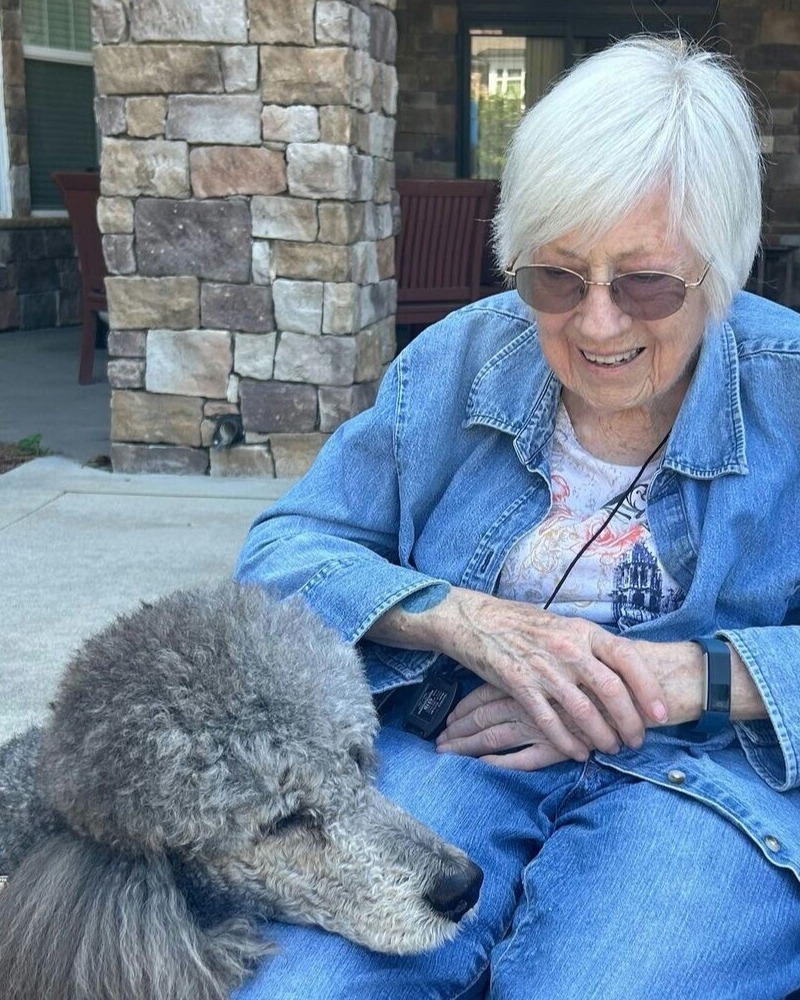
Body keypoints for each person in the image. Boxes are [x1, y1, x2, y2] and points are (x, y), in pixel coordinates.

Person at [234, 34, 800, 1000]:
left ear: (723, 267)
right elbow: (283, 551)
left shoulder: (788, 386)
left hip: (709, 781)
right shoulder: (459, 360)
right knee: (304, 988)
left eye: (647, 282)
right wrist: (467, 621)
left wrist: (690, 678)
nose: (596, 324)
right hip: (457, 743)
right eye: (556, 276)